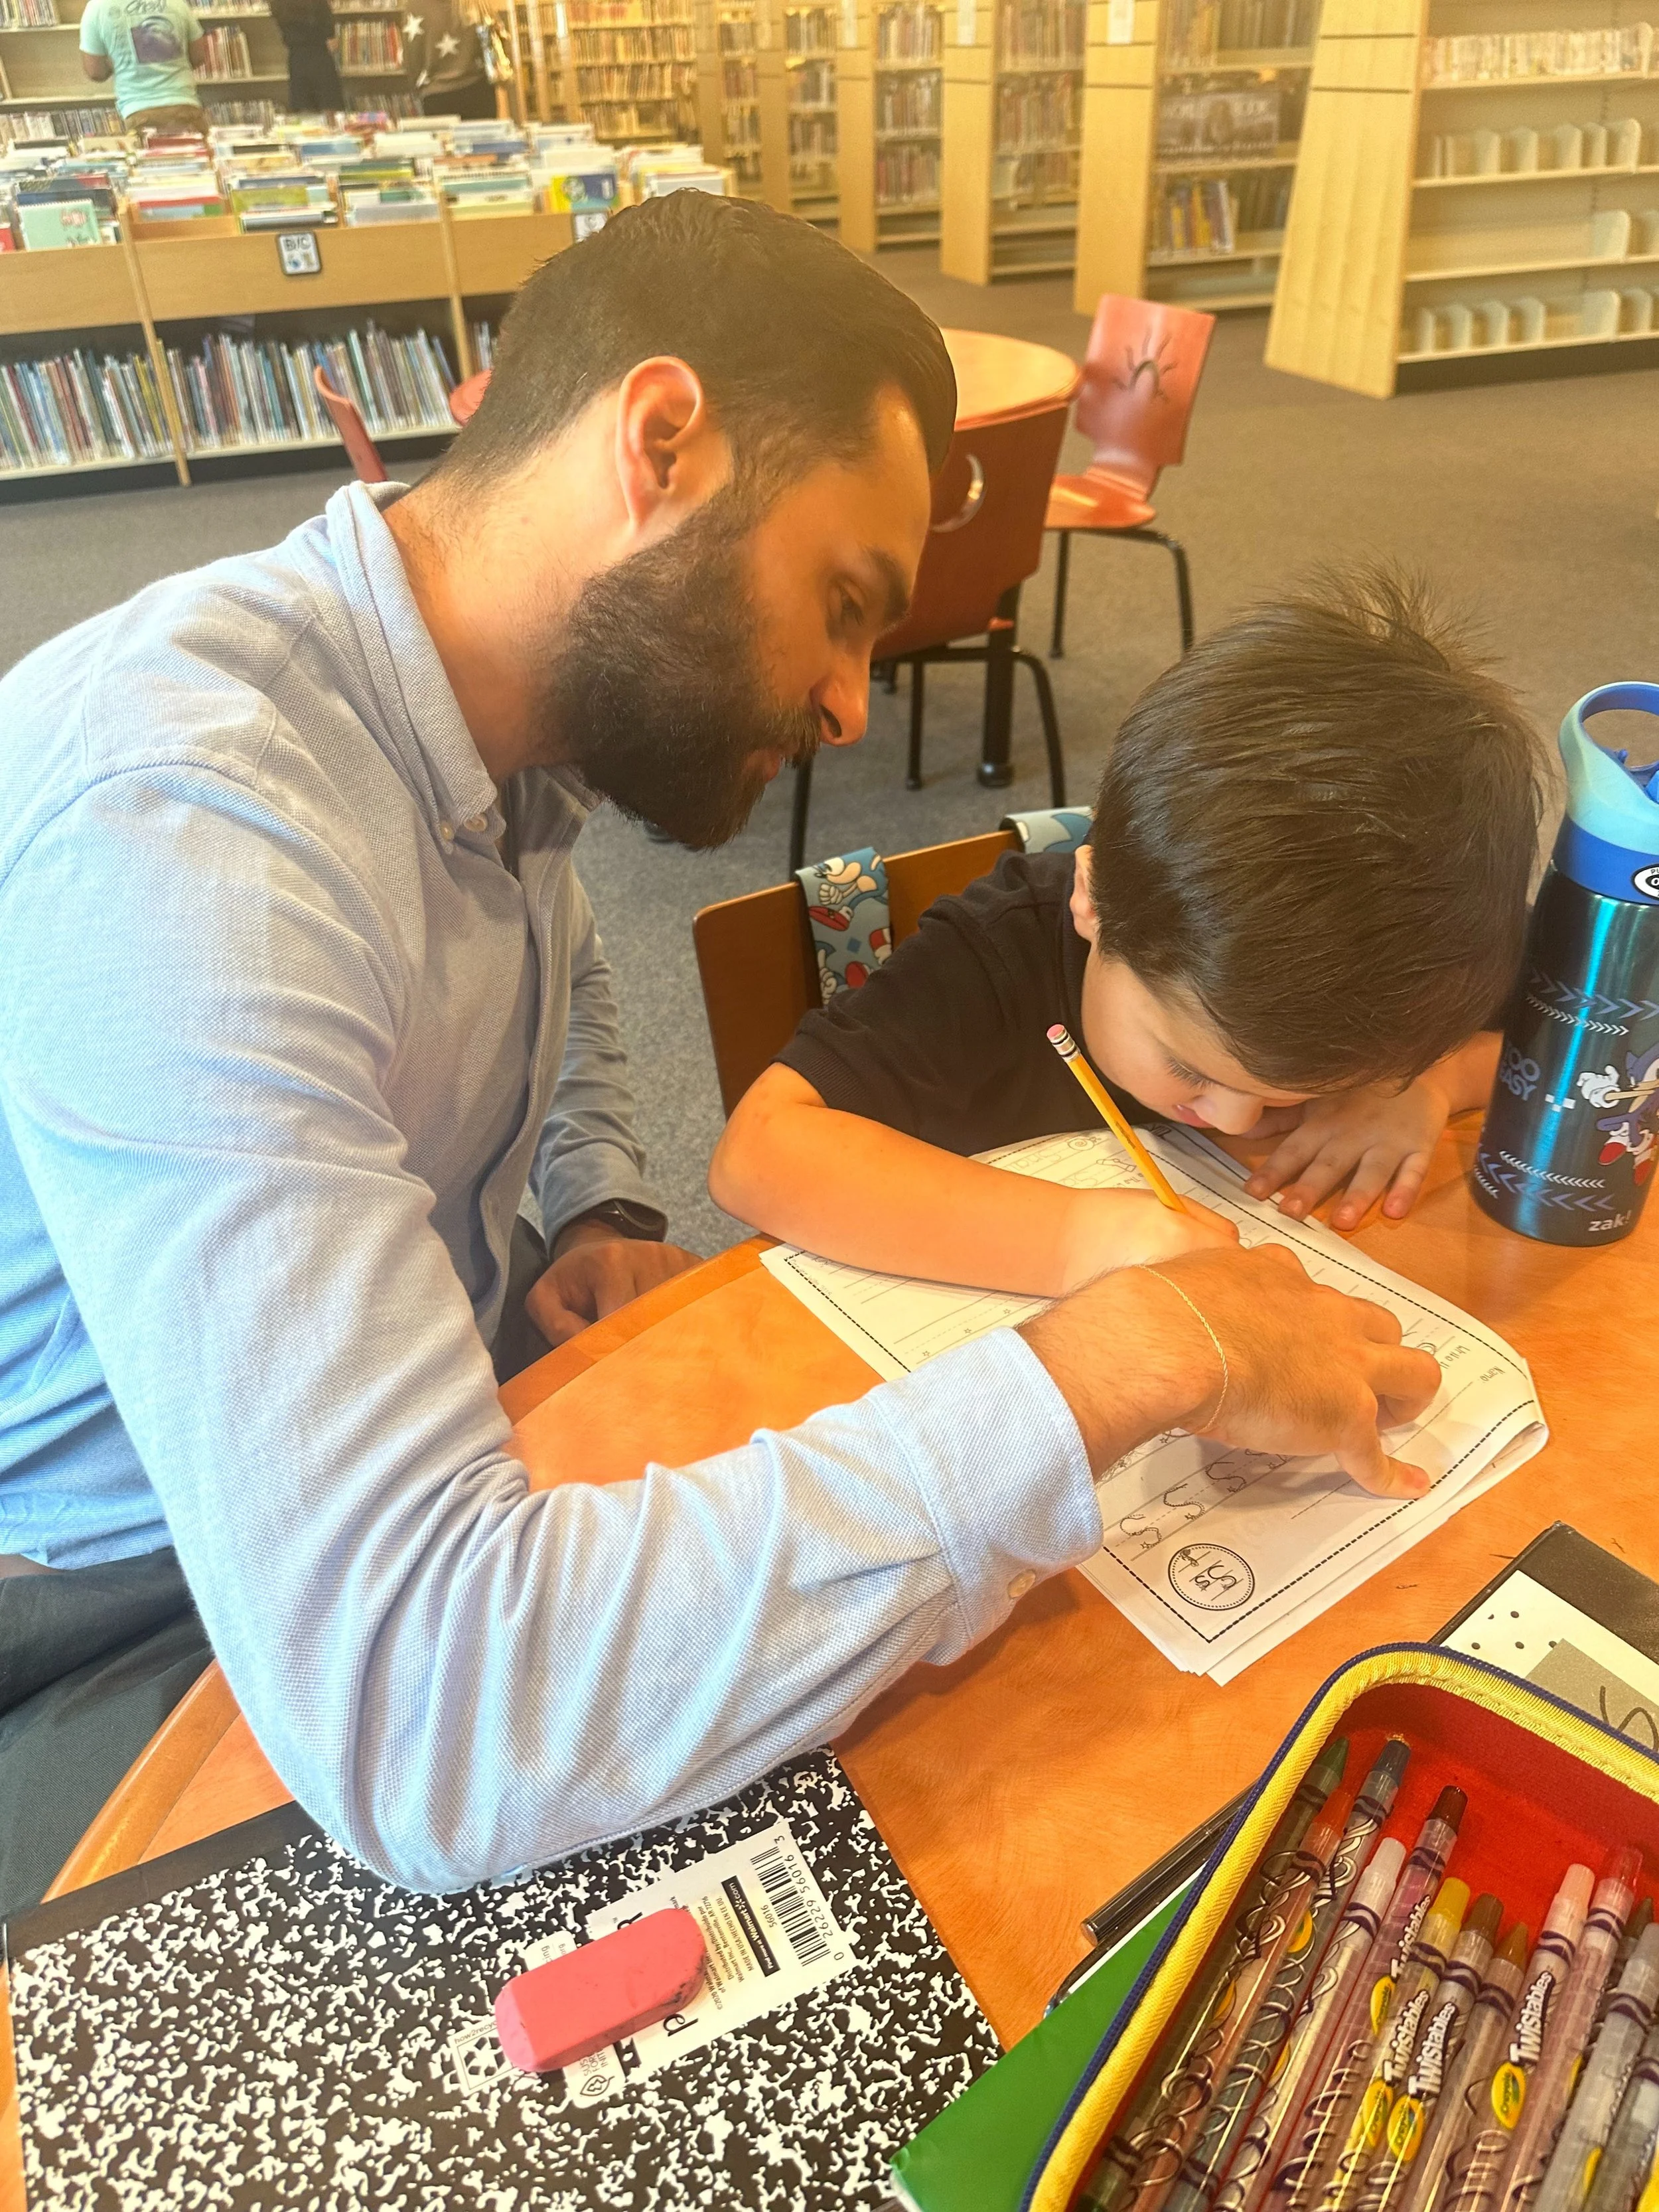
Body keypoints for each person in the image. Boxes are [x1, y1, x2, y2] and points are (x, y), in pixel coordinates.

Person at [0, 194, 1443, 1917]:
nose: (850, 706)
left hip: (460, 1382)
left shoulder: (485, 713)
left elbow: (564, 961)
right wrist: (1120, 1360)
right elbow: (429, 1710)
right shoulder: (190, 829)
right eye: (842, 601)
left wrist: (593, 1184)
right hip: (119, 1592)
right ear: (661, 440)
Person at [711, 574, 1544, 1357]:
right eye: (1188, 1066)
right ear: (1091, 896)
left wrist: (1430, 1085)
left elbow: (1575, 1041)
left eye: (1294, 1091)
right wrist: (1083, 1239)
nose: (1234, 1122)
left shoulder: (1418, 948)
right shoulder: (998, 950)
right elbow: (759, 1155)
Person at [78, 0, 208, 136]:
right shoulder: (177, 3)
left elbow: (95, 72)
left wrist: (118, 63)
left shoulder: (97, 7)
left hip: (138, 112)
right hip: (186, 106)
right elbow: (198, 57)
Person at [268, 0, 344, 115]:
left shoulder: (278, 3)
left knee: (304, 114)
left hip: (297, 58)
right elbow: (332, 40)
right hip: (321, 57)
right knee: (330, 111)